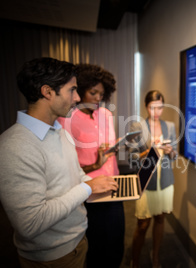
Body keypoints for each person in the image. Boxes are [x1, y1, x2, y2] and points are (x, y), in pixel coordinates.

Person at [0, 57, 118, 268]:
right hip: (52, 257)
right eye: (72, 90)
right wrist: (87, 187)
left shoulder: (59, 132)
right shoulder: (14, 146)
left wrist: (93, 182)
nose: (77, 97)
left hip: (76, 241)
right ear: (48, 92)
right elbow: (30, 223)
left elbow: (74, 175)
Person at [58, 64, 124, 267]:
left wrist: (117, 147)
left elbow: (109, 148)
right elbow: (67, 167)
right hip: (90, 191)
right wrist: (95, 164)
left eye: (101, 93)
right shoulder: (66, 119)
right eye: (92, 92)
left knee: (116, 244)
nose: (97, 98)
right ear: (80, 90)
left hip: (115, 185)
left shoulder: (106, 114)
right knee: (96, 247)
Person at [129, 90, 177, 268]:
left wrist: (170, 150)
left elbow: (174, 156)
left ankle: (155, 256)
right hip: (145, 181)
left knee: (160, 219)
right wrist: (150, 151)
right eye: (152, 108)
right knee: (142, 224)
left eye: (160, 107)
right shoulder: (137, 126)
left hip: (164, 181)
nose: (156, 112)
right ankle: (135, 259)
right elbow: (132, 157)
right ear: (146, 107)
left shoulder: (170, 126)